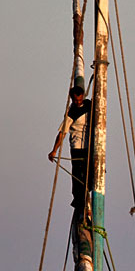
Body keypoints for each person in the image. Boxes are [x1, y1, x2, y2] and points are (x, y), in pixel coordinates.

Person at [48, 77, 92, 216]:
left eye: (79, 99)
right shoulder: (71, 112)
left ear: (83, 97)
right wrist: (54, 150)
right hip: (77, 147)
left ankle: (88, 200)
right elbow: (62, 133)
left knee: (91, 175)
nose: (78, 102)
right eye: (75, 100)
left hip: (90, 146)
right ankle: (79, 203)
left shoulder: (90, 106)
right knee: (78, 176)